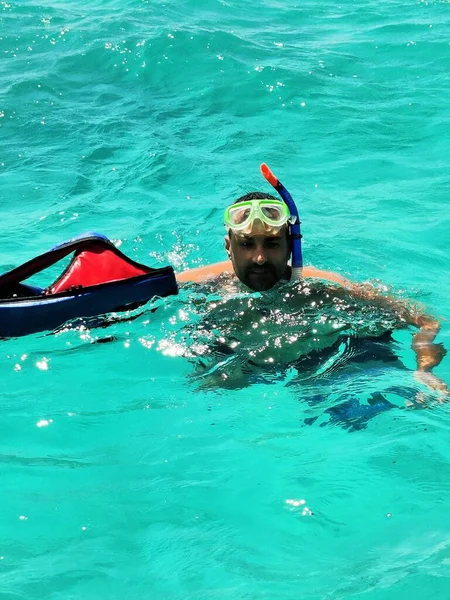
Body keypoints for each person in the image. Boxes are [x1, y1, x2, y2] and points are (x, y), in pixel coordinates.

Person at [176, 164, 448, 397]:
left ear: (291, 246)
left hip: (326, 363)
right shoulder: (204, 284)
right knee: (213, 383)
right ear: (228, 247)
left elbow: (425, 319)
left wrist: (424, 370)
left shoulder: (322, 288)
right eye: (247, 244)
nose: (259, 258)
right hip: (242, 365)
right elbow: (140, 290)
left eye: (271, 244)